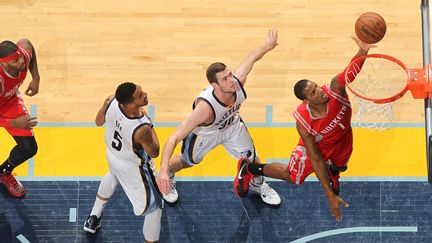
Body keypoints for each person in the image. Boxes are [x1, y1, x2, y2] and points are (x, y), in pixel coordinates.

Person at [233, 36, 375, 221]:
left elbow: (350, 72)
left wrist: (363, 51)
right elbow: (315, 158)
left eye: (317, 86)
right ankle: (250, 168)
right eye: (314, 92)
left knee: (339, 166)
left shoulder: (335, 90)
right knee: (293, 177)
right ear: (307, 101)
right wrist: (330, 195)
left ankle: (332, 171)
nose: (321, 90)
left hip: (343, 136)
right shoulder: (304, 122)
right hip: (317, 148)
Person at [157, 29, 281, 206]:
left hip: (232, 127)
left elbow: (251, 58)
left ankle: (257, 184)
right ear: (214, 85)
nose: (231, 80)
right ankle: (167, 173)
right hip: (206, 134)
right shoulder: (204, 109)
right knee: (187, 162)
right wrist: (162, 169)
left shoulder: (237, 82)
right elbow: (174, 138)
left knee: (252, 159)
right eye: (225, 79)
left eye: (230, 75)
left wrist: (267, 46)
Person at [84, 82, 163, 243]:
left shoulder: (110, 100)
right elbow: (155, 152)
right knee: (155, 208)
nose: (146, 94)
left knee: (112, 177)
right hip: (133, 167)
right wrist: (149, 124)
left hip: (113, 155)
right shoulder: (142, 129)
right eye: (140, 95)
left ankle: (94, 216)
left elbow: (98, 121)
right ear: (129, 105)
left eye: (142, 90)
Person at [0, 39, 40, 198]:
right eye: (15, 61)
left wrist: (36, 77)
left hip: (9, 103)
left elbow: (27, 43)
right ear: (3, 63)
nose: (21, 61)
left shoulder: (22, 56)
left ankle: (4, 172)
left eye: (20, 56)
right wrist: (13, 123)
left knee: (29, 148)